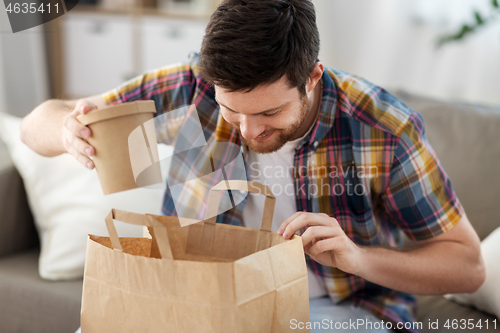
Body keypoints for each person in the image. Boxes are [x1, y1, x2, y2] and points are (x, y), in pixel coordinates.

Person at [21, 1, 485, 332]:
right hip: (196, 293)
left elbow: (466, 267)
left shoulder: (384, 129)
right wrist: (66, 128)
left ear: (313, 77)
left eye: (269, 113)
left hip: (338, 307)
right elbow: (36, 125)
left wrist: (358, 258)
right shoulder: (191, 87)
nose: (247, 130)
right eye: (231, 110)